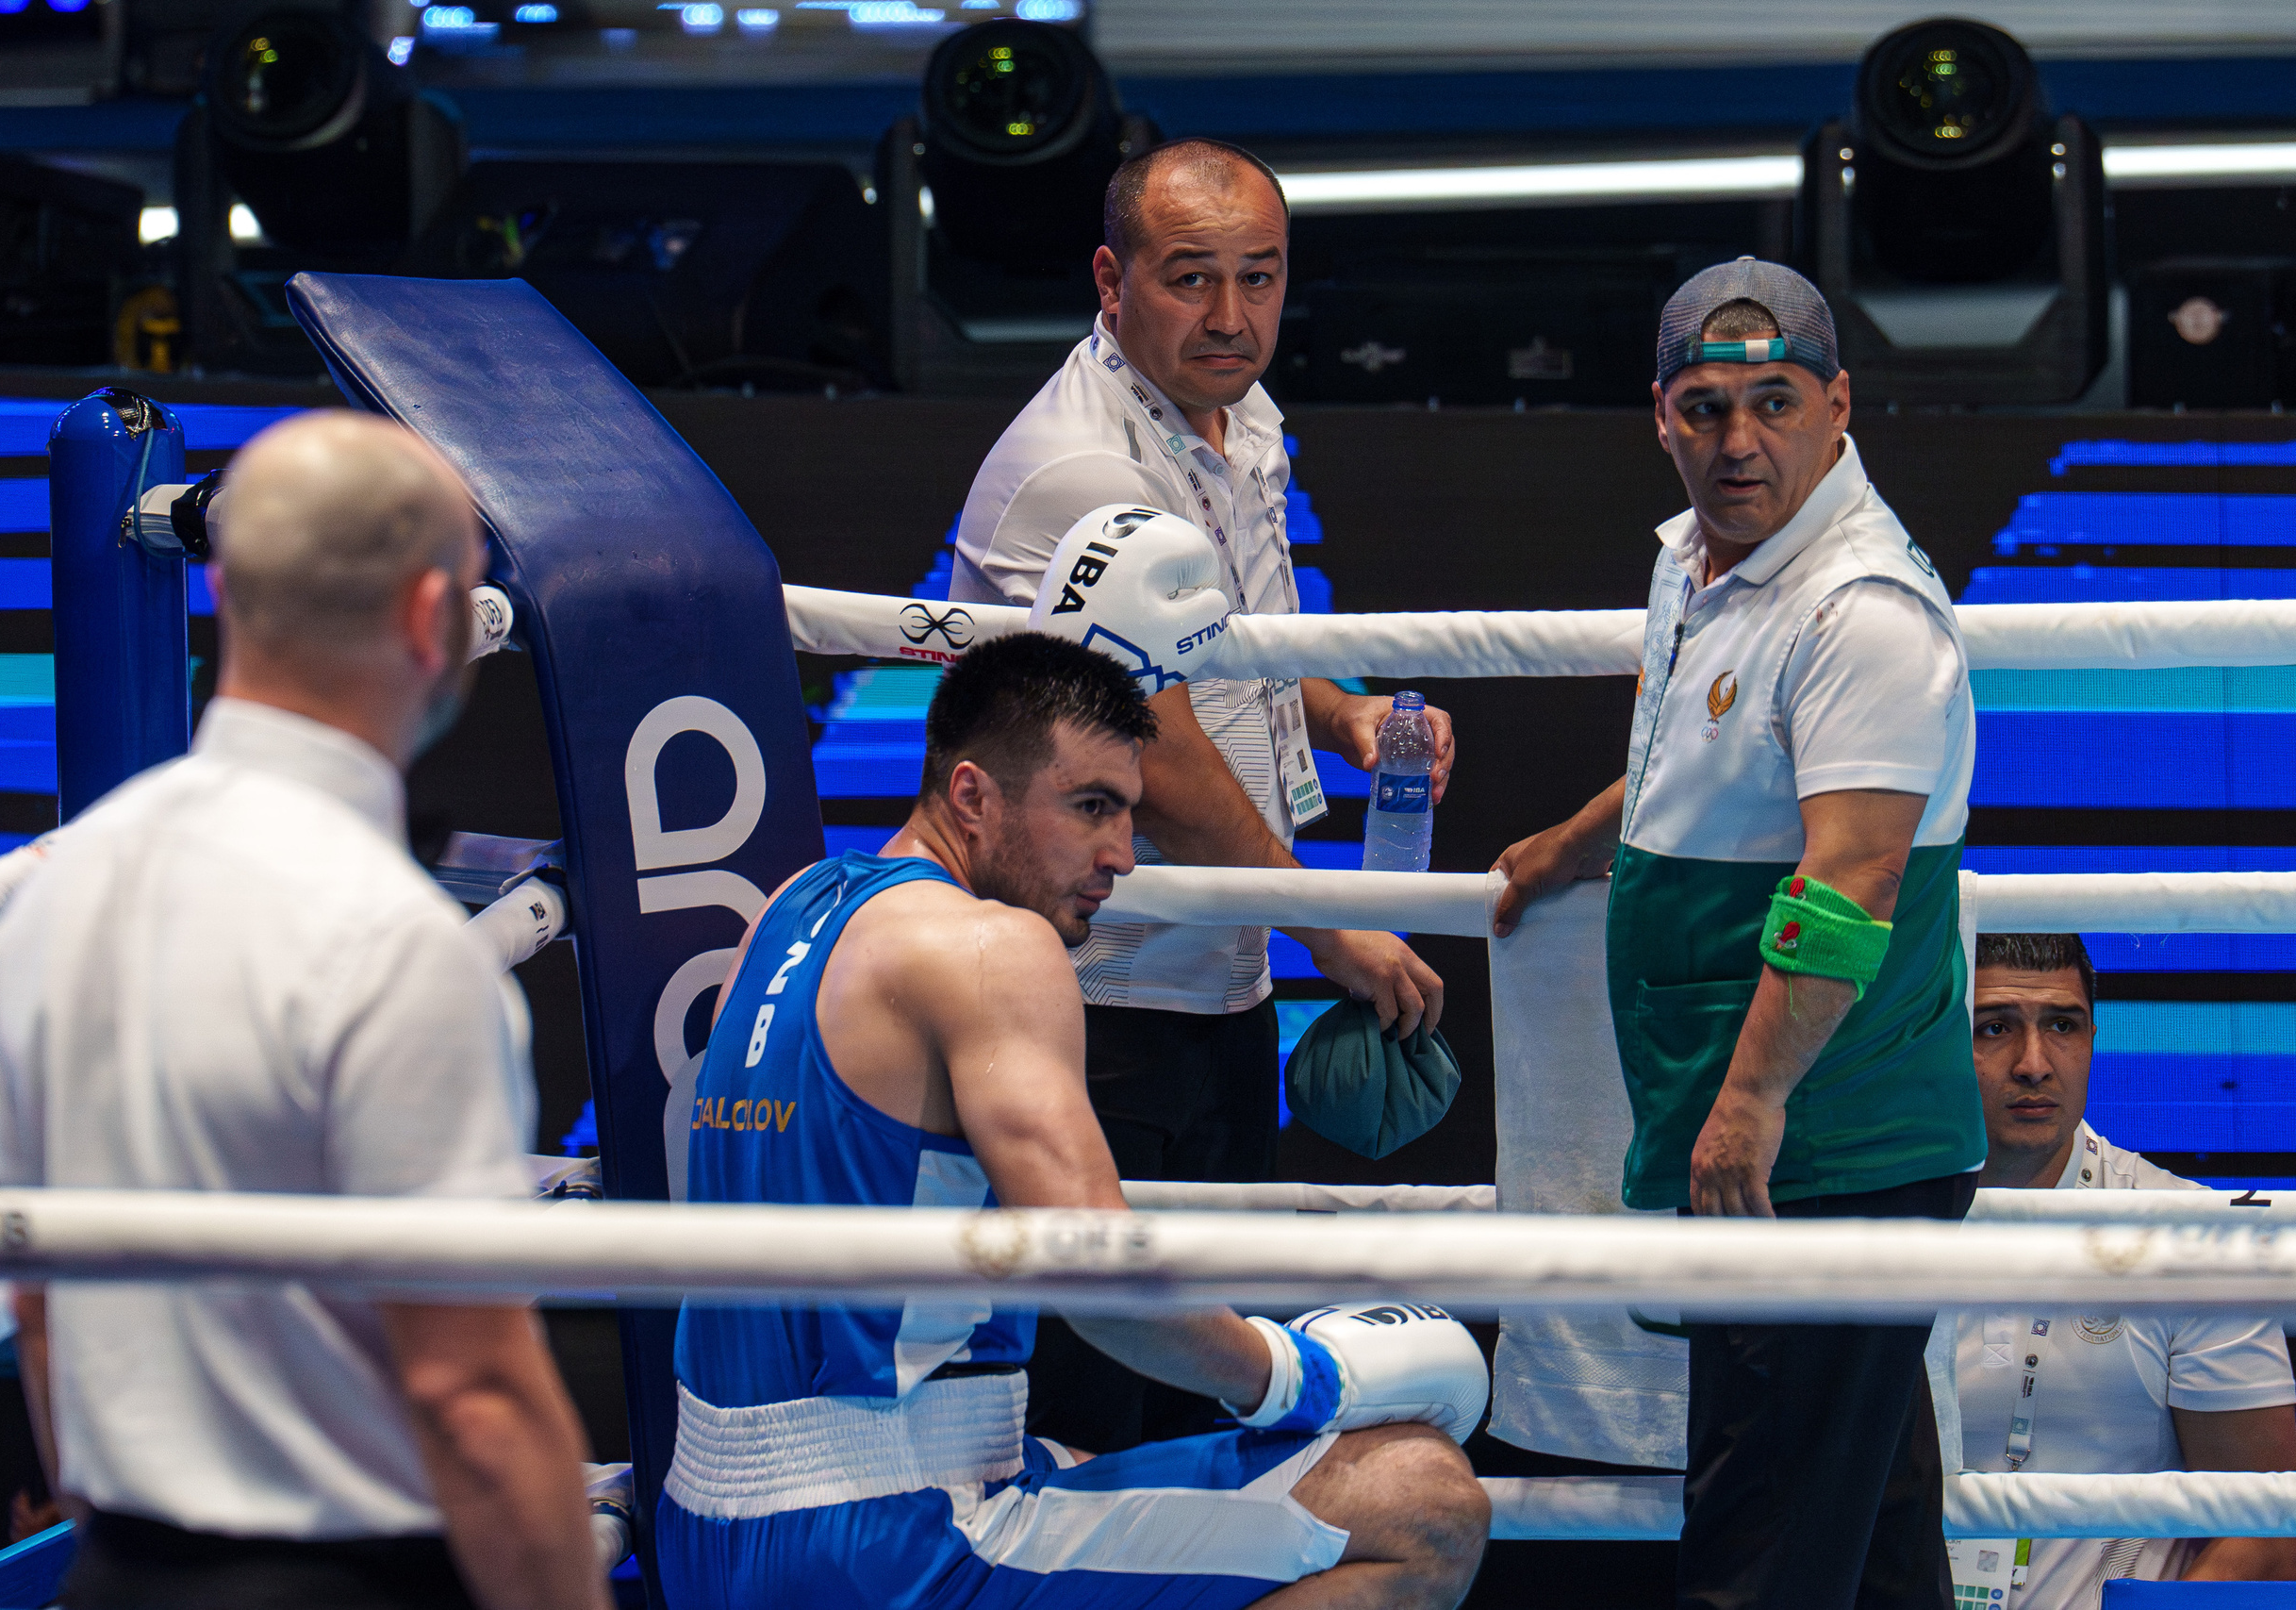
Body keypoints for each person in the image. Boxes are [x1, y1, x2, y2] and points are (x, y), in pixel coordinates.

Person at [656, 633, 1491, 1610]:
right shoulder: (992, 948)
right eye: (1090, 807)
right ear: (972, 795)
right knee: (1424, 1503)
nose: (1120, 856)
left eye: (1129, 813)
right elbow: (1093, 1270)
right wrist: (1294, 1377)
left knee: (1093, 1457)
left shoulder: (792, 909)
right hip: (894, 1542)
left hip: (706, 1531)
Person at [0, 411, 605, 1610]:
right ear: (435, 621)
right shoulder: (389, 939)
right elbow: (469, 1391)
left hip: (115, 1572)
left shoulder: (65, 890)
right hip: (342, 1580)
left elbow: (42, 1300)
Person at [1488, 257, 1984, 1610]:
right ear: (1661, 414)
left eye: (1773, 402)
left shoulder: (1859, 609)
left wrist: (1750, 1101)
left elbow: (1852, 883)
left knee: (1764, 1535)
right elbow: (1701, 760)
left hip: (1830, 1139)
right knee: (1866, 1527)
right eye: (1707, 407)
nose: (1739, 440)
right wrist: (1573, 843)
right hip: (1802, 1129)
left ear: (1838, 407)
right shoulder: (1703, 558)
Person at [950, 134, 1453, 1452]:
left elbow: (1226, 639)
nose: (1232, 317)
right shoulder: (1084, 469)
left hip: (1206, 981)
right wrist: (1327, 920)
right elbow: (1156, 751)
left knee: (1197, 1397)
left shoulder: (1234, 414)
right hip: (1093, 996)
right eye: (1191, 279)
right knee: (1091, 1408)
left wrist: (1341, 713)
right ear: (1111, 283)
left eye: (1260, 277)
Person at [1955, 932, 2296, 1602]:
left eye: (2062, 1025)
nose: (2033, 1063)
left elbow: (2265, 1540)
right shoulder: (1865, 1221)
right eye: (1993, 1027)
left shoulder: (2190, 1237)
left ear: (2092, 1038)